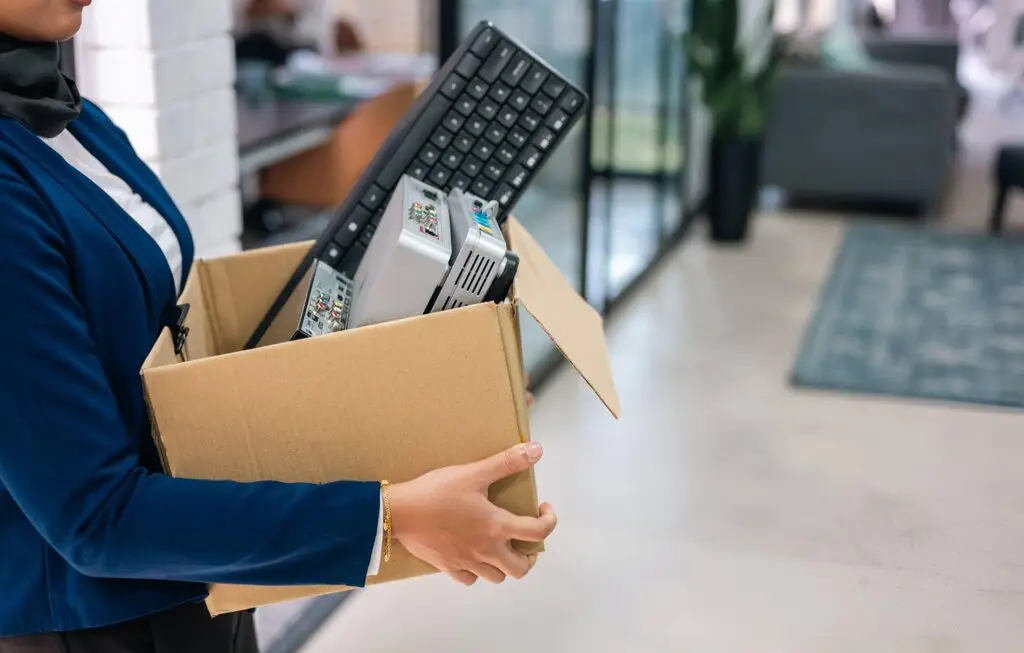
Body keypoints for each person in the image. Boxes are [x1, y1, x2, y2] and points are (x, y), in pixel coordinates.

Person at [0, 2, 557, 652]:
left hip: (201, 571)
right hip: (100, 627)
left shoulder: (71, 116)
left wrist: (429, 411)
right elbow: (95, 517)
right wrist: (390, 516)